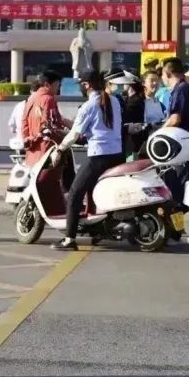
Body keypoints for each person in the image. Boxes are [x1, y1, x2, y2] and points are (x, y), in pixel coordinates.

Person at [50, 69, 124, 251]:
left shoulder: (88, 106)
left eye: (81, 85)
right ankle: (97, 229)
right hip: (117, 154)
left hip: (99, 156)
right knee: (93, 190)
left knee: (75, 193)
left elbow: (74, 134)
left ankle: (69, 239)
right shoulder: (114, 101)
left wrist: (59, 149)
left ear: (86, 85)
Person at [163, 57, 189, 206]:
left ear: (167, 74)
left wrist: (160, 132)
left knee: (180, 187)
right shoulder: (184, 89)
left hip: (185, 149)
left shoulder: (181, 90)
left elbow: (175, 118)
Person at [20, 70, 66, 169]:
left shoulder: (32, 98)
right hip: (46, 148)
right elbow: (49, 125)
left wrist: (28, 139)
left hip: (32, 149)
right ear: (47, 84)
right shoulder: (49, 99)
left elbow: (24, 121)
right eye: (57, 85)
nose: (58, 88)